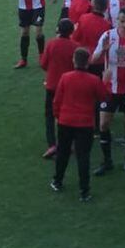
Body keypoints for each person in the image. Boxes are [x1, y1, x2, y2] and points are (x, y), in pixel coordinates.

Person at [90, 7, 125, 174]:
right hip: (109, 88)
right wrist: (103, 50)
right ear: (117, 20)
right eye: (121, 21)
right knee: (103, 123)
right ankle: (107, 161)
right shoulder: (108, 36)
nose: (124, 25)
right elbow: (93, 59)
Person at [51, 47, 110, 201]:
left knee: (62, 153)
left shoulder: (65, 77)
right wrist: (106, 81)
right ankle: (84, 191)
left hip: (65, 121)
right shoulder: (94, 80)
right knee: (83, 157)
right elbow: (104, 97)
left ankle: (57, 181)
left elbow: (57, 101)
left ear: (74, 61)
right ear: (88, 62)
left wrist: (58, 116)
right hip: (85, 124)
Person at [40, 18, 79, 159]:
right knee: (68, 115)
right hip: (69, 86)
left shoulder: (51, 44)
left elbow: (43, 64)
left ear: (58, 30)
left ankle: (52, 145)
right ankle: (69, 143)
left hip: (52, 85)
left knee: (50, 115)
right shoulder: (75, 46)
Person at [73, 0, 112, 78]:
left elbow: (75, 37)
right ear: (106, 8)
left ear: (93, 4)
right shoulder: (107, 25)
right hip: (99, 61)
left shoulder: (83, 18)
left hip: (83, 59)